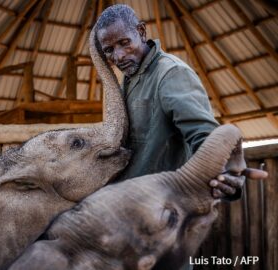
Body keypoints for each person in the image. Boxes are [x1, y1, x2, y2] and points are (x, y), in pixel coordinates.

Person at [95, 4, 267, 200]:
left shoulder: (171, 73)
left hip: (162, 205)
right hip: (130, 199)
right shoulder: (129, 76)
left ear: (141, 32)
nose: (119, 56)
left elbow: (204, 136)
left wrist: (226, 174)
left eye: (124, 42)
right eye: (109, 50)